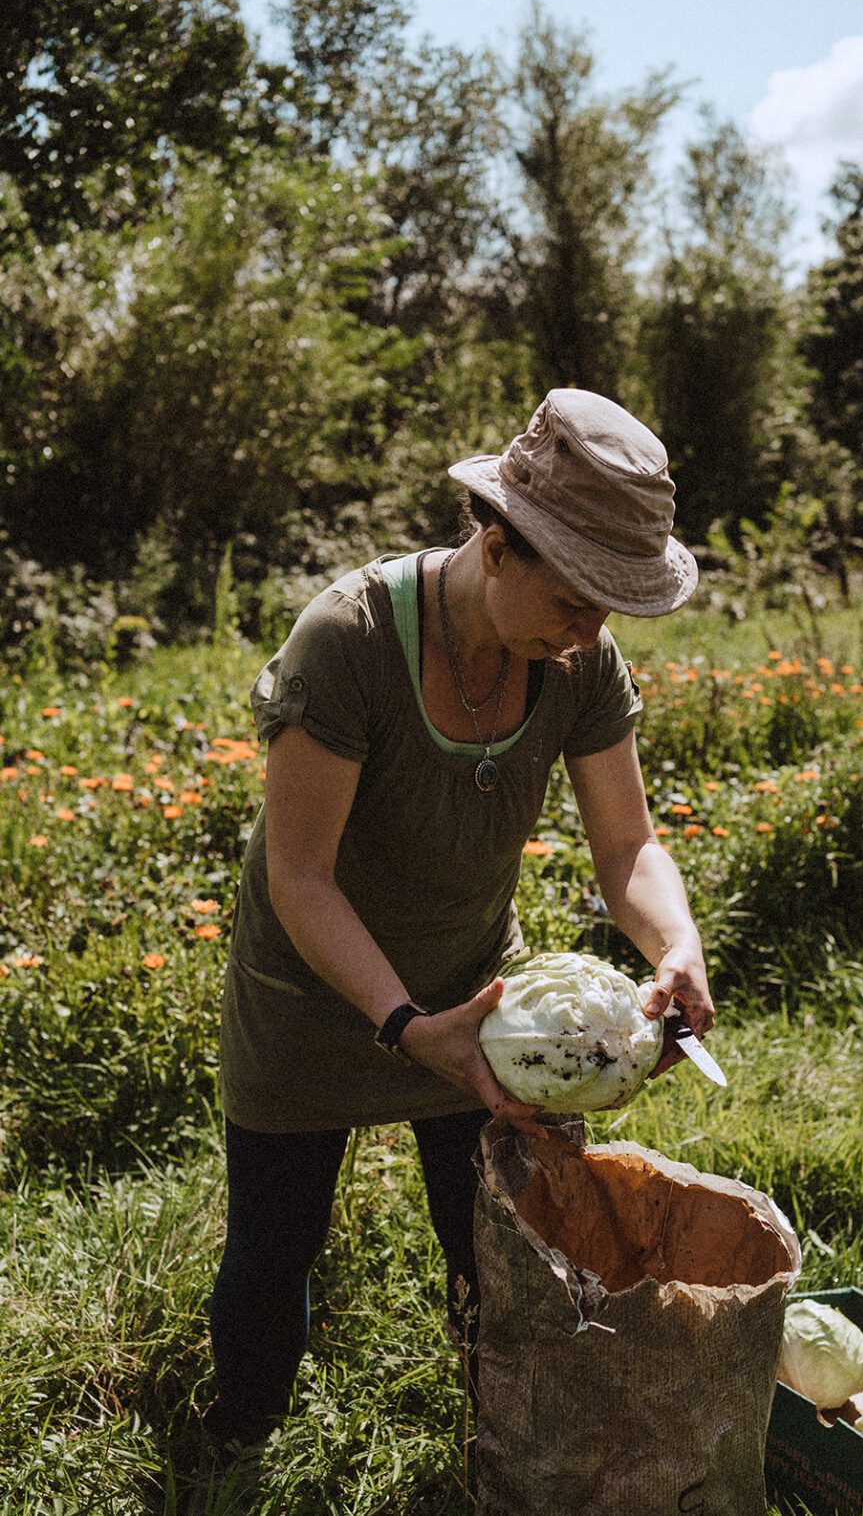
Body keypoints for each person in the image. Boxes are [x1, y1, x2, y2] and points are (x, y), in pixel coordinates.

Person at [201, 387, 715, 1451]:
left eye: (612, 608)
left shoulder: (579, 661)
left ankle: (508, 1440)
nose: (591, 634)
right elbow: (301, 877)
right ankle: (235, 1446)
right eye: (577, 599)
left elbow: (627, 847)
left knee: (498, 1241)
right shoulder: (347, 641)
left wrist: (676, 942)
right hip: (310, 994)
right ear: (496, 544)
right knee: (273, 1249)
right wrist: (401, 1026)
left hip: (475, 992)